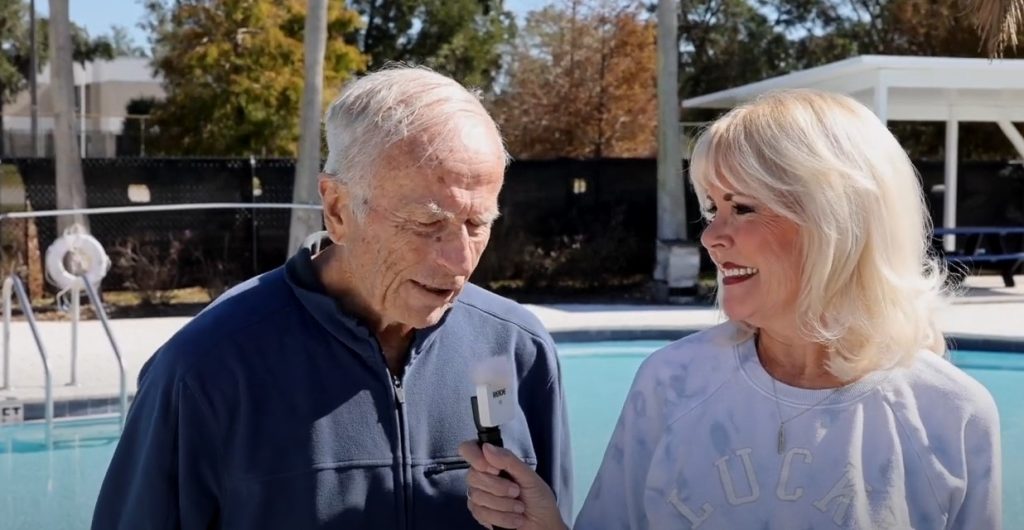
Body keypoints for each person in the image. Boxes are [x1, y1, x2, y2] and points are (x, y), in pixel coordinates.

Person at [460, 89, 1002, 530]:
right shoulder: (670, 384)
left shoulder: (951, 416)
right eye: (712, 208)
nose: (712, 237)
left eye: (743, 208)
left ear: (839, 221)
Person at [93, 66, 573, 529]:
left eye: (477, 224)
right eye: (428, 224)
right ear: (338, 209)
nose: (459, 258)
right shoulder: (206, 371)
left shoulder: (517, 350)